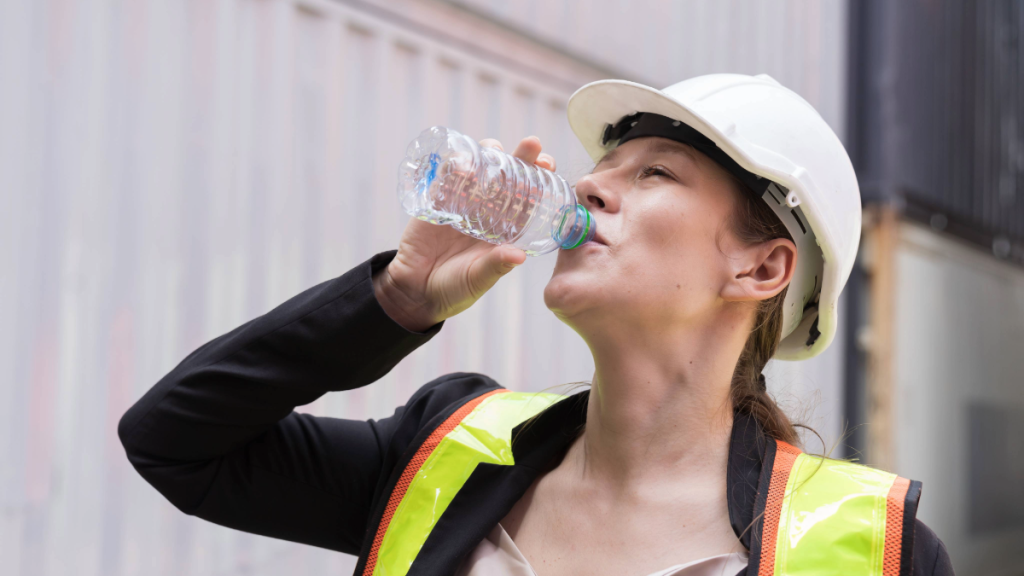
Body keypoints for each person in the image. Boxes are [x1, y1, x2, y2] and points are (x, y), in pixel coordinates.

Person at [118, 74, 954, 576]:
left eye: (655, 172)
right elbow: (175, 439)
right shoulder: (443, 453)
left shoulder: (871, 548)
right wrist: (398, 300)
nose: (589, 188)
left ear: (761, 269)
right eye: (599, 168)